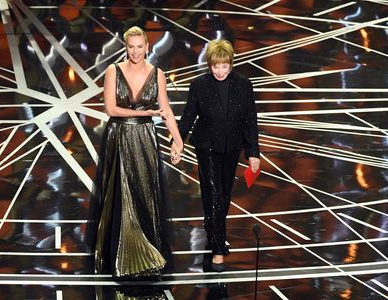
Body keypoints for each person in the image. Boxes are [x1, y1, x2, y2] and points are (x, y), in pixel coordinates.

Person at [90, 26, 183, 278]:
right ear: (125, 46)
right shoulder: (113, 71)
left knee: (145, 192)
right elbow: (111, 109)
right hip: (118, 137)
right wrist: (146, 113)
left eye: (140, 46)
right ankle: (120, 253)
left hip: (144, 139)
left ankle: (146, 250)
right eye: (131, 46)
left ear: (147, 47)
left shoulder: (158, 74)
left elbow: (166, 110)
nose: (135, 51)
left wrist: (178, 140)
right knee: (121, 194)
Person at [175, 39, 260, 272]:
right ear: (209, 65)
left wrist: (253, 153)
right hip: (206, 146)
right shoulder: (199, 85)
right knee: (212, 194)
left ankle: (212, 225)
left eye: (225, 66)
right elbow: (189, 116)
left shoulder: (244, 85)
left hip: (232, 147)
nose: (220, 71)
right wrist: (178, 141)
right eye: (215, 66)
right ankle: (218, 250)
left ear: (231, 64)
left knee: (223, 196)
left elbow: (250, 120)